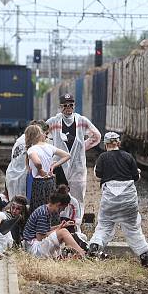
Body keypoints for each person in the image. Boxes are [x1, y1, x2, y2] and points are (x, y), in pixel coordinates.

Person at [88, 132, 148, 267]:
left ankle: (94, 246)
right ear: (118, 143)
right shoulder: (128, 156)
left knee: (104, 225)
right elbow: (136, 178)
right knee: (133, 227)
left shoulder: (102, 157)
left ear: (105, 145)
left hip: (110, 200)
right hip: (129, 200)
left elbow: (98, 176)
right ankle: (143, 254)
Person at [46, 93, 101, 225]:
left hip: (78, 166)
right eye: (65, 105)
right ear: (60, 107)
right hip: (59, 165)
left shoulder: (82, 121)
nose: (68, 108)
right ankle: (59, 222)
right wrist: (50, 150)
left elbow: (96, 136)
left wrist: (82, 148)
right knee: (60, 195)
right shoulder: (54, 121)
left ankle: (76, 224)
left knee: (78, 197)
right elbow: (42, 134)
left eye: (71, 105)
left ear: (74, 105)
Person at [22, 187, 87, 259]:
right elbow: (40, 237)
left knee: (63, 232)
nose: (62, 211)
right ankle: (82, 253)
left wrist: (60, 226)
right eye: (62, 208)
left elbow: (45, 230)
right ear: (58, 204)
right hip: (33, 248)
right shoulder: (43, 213)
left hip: (34, 245)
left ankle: (78, 253)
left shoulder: (45, 210)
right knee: (63, 232)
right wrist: (58, 230)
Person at [25, 124, 71, 218]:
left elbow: (37, 162)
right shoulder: (49, 146)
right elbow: (67, 155)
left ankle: (39, 229)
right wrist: (54, 165)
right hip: (51, 181)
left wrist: (40, 170)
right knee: (52, 206)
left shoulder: (32, 149)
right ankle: (52, 227)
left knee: (39, 208)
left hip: (39, 182)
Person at [5, 120, 49, 200]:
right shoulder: (31, 142)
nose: (45, 137)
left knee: (14, 203)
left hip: (12, 174)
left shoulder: (21, 139)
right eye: (45, 134)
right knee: (22, 204)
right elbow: (37, 162)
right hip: (23, 177)